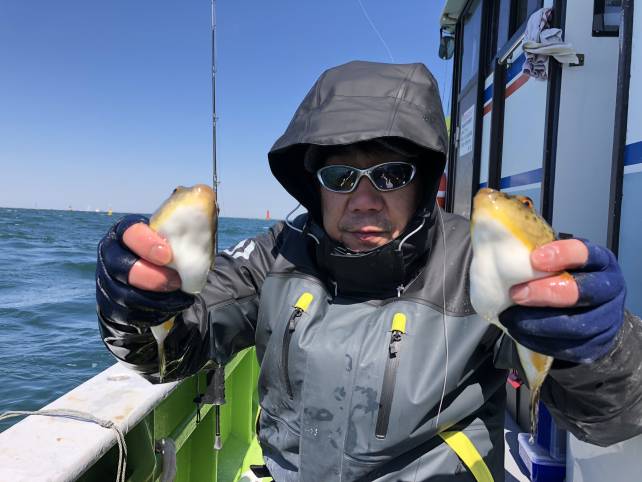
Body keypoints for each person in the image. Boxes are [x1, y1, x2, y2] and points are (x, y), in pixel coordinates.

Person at [96, 61, 642, 481]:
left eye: (391, 174)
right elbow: (170, 354)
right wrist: (134, 304)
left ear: (423, 180)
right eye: (339, 177)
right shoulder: (273, 255)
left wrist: (599, 348)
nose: (363, 200)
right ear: (314, 187)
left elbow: (612, 418)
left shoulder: (480, 264)